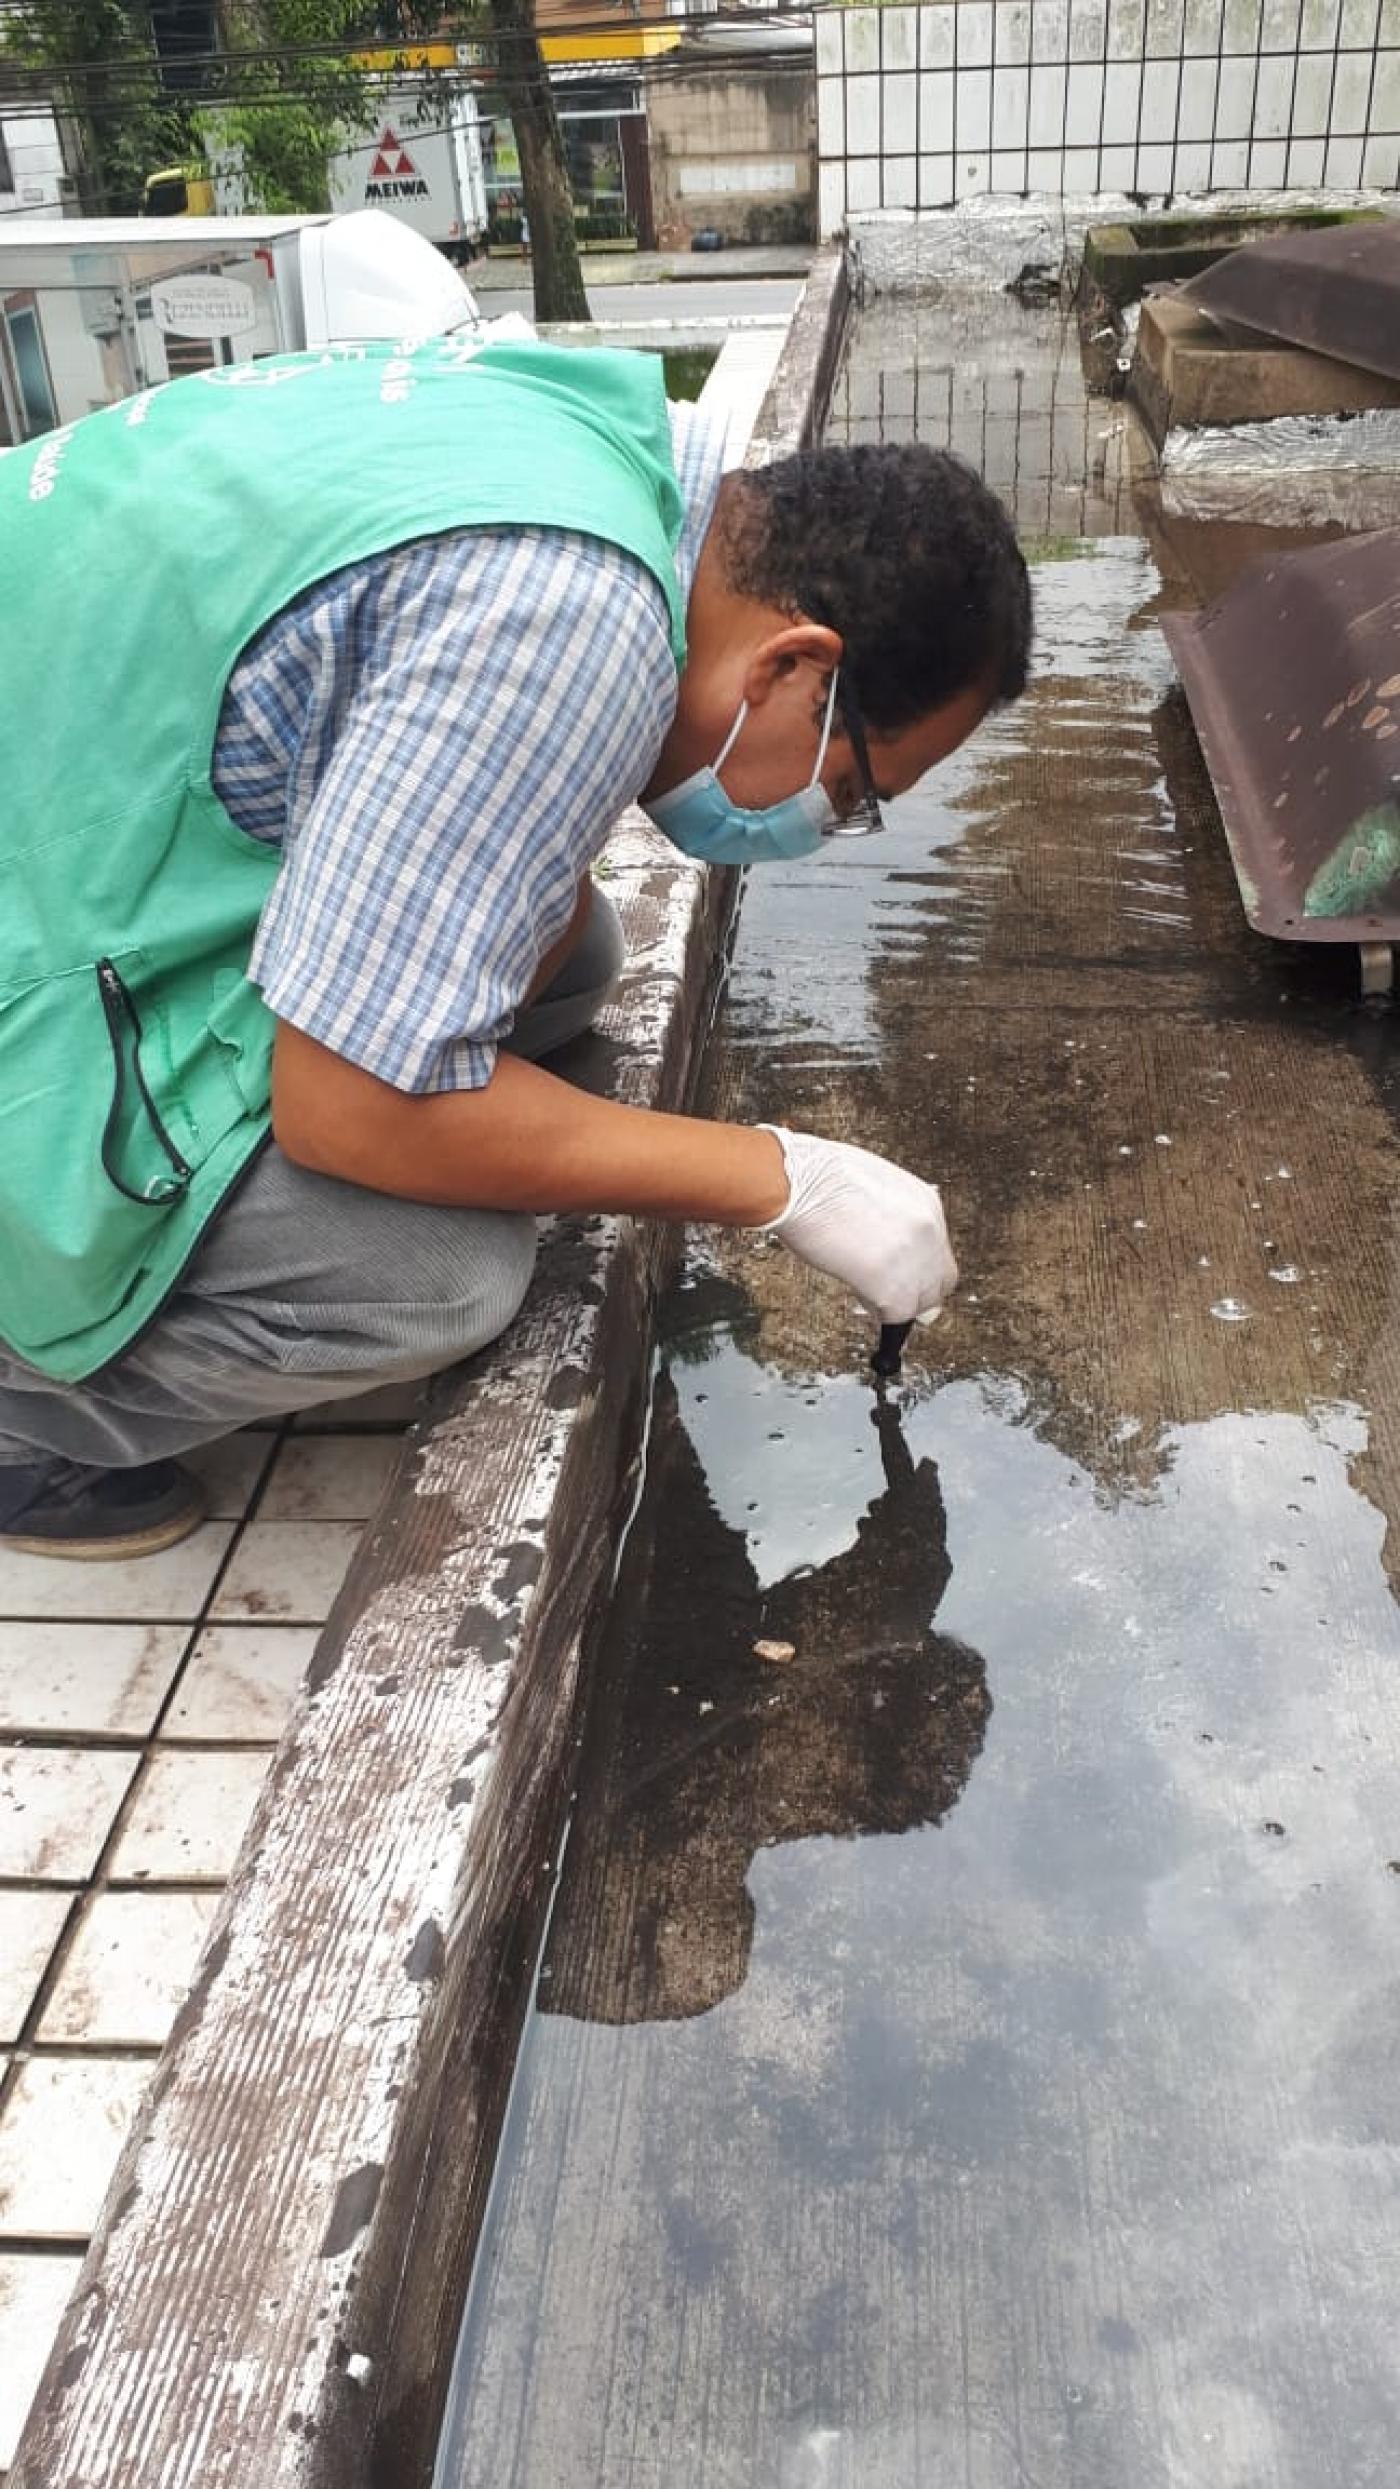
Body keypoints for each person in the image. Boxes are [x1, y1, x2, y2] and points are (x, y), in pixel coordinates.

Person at [0, 331, 1031, 1559]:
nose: (828, 824)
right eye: (852, 789)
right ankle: (28, 1420)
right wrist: (780, 1175)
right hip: (40, 901)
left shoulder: (622, 464)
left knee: (569, 948)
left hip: (66, 817)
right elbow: (347, 1112)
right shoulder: (564, 616)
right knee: (433, 1273)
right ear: (795, 664)